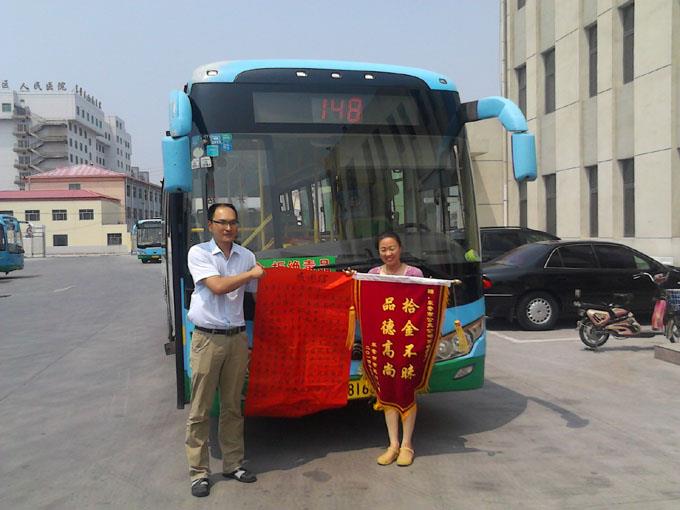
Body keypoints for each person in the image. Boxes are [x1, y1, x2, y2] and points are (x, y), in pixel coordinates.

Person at [185, 203, 265, 498]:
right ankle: (199, 472)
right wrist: (251, 274)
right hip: (207, 339)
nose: (228, 228)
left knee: (233, 406)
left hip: (236, 339)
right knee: (201, 409)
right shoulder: (199, 253)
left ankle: (233, 464)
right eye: (222, 222)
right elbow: (218, 286)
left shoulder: (247, 256)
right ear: (210, 225)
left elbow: (257, 299)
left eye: (232, 222)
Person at [370, 232, 423, 467]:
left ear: (400, 248)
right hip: (385, 344)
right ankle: (393, 444)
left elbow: (422, 305)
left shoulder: (414, 274)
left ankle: (407, 445)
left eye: (392, 248)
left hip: (408, 344)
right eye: (383, 249)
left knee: (407, 392)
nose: (388, 253)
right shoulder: (373, 274)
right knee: (387, 393)